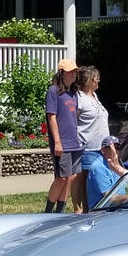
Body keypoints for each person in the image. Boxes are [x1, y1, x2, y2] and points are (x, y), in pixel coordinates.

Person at [43, 58, 81, 213]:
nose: (73, 74)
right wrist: (57, 142)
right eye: (70, 72)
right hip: (62, 142)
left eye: (75, 72)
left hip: (74, 141)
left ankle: (60, 211)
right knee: (61, 178)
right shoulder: (53, 91)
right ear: (62, 73)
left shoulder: (73, 93)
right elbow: (52, 117)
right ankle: (47, 212)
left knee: (71, 177)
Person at [71, 65, 110, 213]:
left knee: (90, 181)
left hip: (100, 147)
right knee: (80, 179)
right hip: (86, 146)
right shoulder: (79, 98)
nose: (99, 80)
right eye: (96, 78)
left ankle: (89, 208)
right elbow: (72, 121)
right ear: (90, 80)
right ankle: (78, 209)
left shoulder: (94, 96)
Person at [86, 135, 123, 209]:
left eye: (117, 148)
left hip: (119, 207)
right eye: (111, 148)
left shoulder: (115, 164)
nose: (115, 151)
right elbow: (110, 197)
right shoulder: (98, 168)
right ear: (103, 150)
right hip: (103, 211)